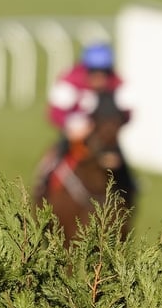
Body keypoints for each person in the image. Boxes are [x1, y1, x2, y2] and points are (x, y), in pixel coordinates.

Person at [33, 42, 132, 201]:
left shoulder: (117, 83)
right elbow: (55, 113)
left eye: (104, 72)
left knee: (125, 172)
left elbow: (128, 112)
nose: (99, 77)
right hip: (73, 138)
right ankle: (42, 186)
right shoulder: (70, 80)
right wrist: (74, 126)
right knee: (50, 163)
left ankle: (131, 190)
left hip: (106, 139)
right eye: (94, 71)